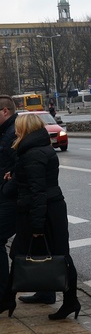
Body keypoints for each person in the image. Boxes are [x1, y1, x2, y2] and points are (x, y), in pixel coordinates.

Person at [0, 113, 80, 319]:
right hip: (48, 210)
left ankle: (70, 301)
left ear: (26, 129)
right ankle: (10, 298)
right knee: (32, 254)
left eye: (19, 128)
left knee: (56, 257)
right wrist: (16, 176)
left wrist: (36, 226)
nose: (16, 131)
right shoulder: (35, 150)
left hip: (43, 214)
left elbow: (38, 191)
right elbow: (34, 182)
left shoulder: (32, 154)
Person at [0, 96, 18, 303]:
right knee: (33, 244)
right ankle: (45, 289)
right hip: (9, 197)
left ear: (5, 111)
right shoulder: (6, 132)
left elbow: (20, 169)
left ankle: (4, 296)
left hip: (12, 199)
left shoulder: (13, 133)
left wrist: (7, 185)